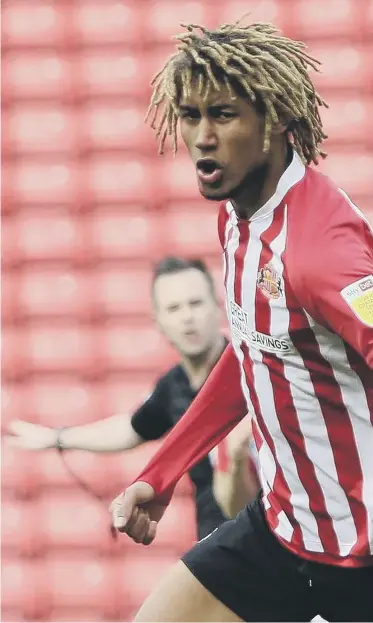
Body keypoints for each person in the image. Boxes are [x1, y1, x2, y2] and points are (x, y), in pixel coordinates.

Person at [109, 20, 373, 623]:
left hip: (360, 556)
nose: (202, 137)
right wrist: (163, 470)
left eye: (224, 116)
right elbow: (255, 352)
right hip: (282, 532)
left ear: (275, 119)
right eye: (191, 115)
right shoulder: (240, 216)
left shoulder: (320, 252)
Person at [5, 256, 256, 540]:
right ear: (158, 321)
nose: (187, 317)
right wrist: (57, 438)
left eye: (195, 303)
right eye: (174, 308)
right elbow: (131, 429)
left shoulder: (253, 371)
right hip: (214, 538)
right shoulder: (172, 386)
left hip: (264, 536)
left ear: (218, 306)